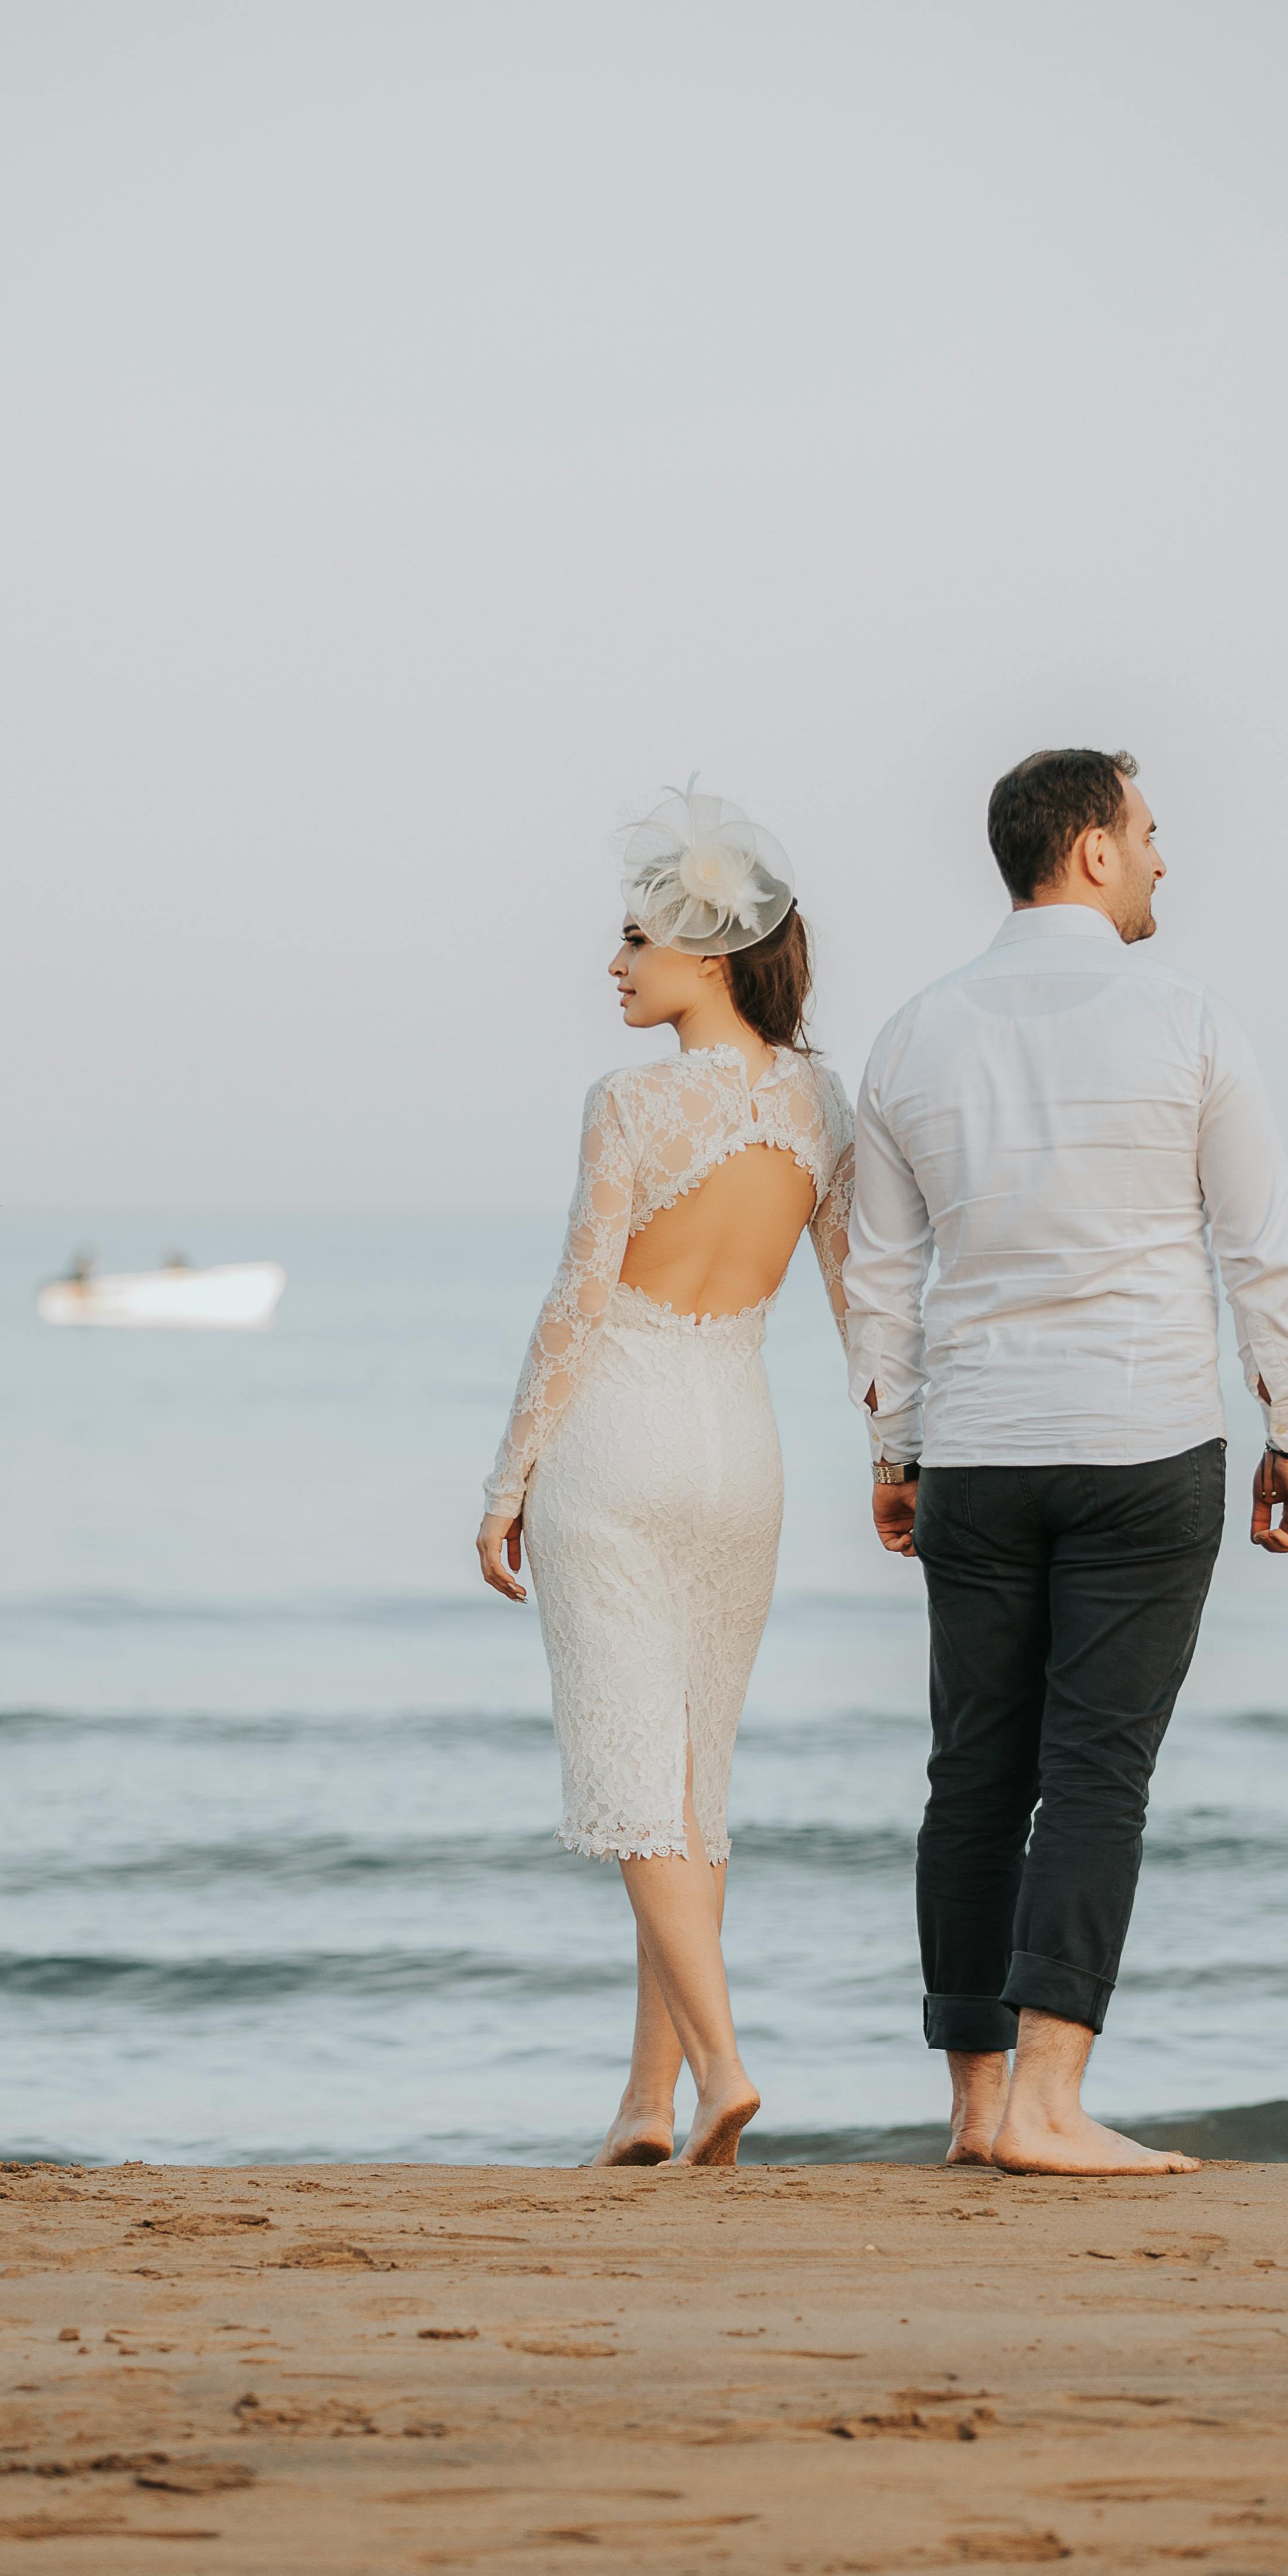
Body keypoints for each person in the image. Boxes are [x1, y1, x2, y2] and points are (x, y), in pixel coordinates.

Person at [845, 748, 1288, 2177]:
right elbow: (1260, 1248)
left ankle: (977, 2113)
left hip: (979, 1452)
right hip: (1141, 1440)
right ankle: (1050, 2105)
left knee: (971, 1774)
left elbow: (883, 1275)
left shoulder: (912, 1035)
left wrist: (894, 1448)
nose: (1164, 856)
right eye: (1150, 831)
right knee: (1095, 1770)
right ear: (1093, 852)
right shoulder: (1185, 1020)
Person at [478, 787, 855, 2168]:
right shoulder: (819, 1101)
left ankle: (722, 2067)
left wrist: (505, 1476)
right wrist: (891, 1448)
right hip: (740, 1447)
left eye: (637, 942)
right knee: (692, 1783)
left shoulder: (630, 1101)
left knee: (637, 1779)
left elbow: (576, 1301)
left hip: (619, 1441)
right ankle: (645, 2105)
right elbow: (859, 1294)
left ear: (707, 955)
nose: (617, 965)